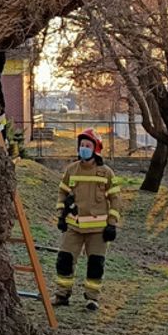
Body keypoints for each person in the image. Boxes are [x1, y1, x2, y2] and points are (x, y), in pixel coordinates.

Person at [53, 129, 123, 311]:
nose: (84, 149)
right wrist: (61, 215)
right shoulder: (71, 170)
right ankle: (62, 294)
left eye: (88, 146)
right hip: (74, 226)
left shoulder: (106, 173)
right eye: (82, 145)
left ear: (96, 149)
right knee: (64, 260)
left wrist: (112, 225)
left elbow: (115, 199)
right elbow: (62, 193)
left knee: (95, 264)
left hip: (98, 230)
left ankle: (92, 298)